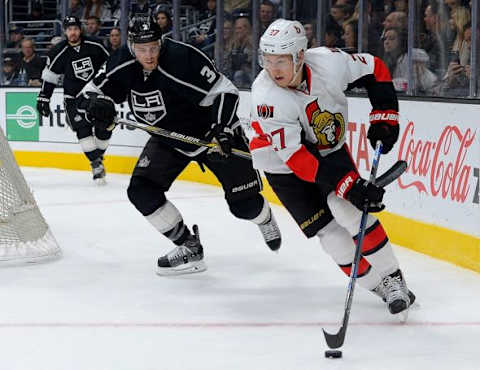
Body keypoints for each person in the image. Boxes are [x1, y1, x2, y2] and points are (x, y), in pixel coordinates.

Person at [77, 16, 282, 276]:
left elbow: (226, 91)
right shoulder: (120, 62)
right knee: (141, 191)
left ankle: (264, 218)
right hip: (168, 138)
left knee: (244, 206)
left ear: (161, 41)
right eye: (142, 49)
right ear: (131, 46)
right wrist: (96, 105)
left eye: (154, 46)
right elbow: (87, 95)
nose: (149, 55)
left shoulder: (183, 58)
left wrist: (222, 128)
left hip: (213, 137)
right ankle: (189, 246)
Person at [247, 19, 415, 315]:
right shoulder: (266, 96)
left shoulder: (330, 63)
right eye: (268, 60)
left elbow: (375, 69)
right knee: (333, 239)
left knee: (348, 210)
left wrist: (385, 116)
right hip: (281, 164)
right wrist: (350, 184)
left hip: (328, 149)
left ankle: (393, 279)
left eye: (282, 61)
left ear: (300, 55)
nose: (274, 70)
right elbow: (298, 159)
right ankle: (377, 285)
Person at [36, 16, 111, 184]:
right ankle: (96, 163)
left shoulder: (95, 45)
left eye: (75, 29)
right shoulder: (58, 51)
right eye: (69, 29)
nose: (73, 32)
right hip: (73, 99)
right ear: (65, 31)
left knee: (104, 129)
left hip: (97, 95)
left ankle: (97, 156)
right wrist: (43, 97)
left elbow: (111, 65)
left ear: (80, 29)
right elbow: (50, 76)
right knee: (82, 130)